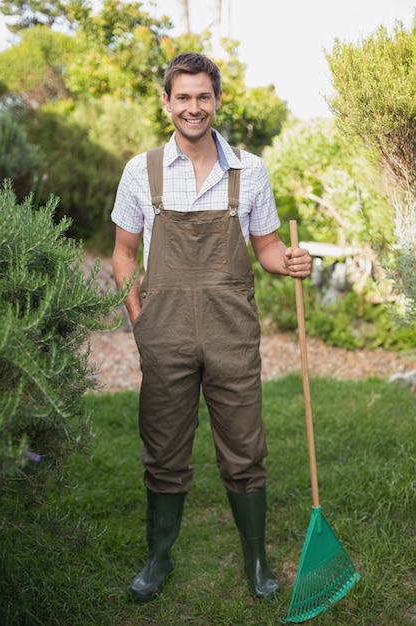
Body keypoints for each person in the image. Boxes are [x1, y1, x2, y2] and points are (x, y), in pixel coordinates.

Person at [111, 52, 311, 603]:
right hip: (165, 332)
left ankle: (256, 563)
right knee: (164, 448)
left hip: (231, 331)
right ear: (167, 102)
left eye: (203, 97)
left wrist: (288, 261)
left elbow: (267, 247)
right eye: (183, 97)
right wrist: (139, 320)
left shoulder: (249, 171)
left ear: (217, 101)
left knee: (245, 448)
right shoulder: (141, 171)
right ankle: (158, 559)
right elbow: (124, 254)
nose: (193, 107)